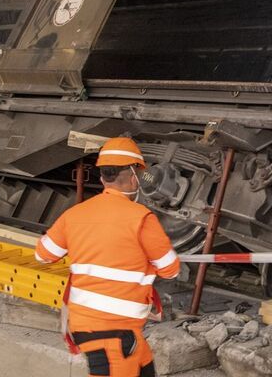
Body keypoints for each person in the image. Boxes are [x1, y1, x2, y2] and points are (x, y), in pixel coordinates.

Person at [34, 137, 181, 377]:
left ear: (103, 178)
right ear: (135, 177)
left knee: (145, 367)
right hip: (113, 332)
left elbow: (43, 255)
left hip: (96, 325)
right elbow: (171, 270)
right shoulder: (141, 218)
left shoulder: (75, 214)